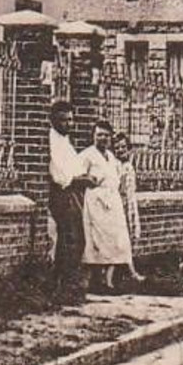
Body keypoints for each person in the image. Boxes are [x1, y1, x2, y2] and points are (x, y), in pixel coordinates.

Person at [78, 120, 137, 291]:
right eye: (99, 135)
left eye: (105, 135)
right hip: (95, 201)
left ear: (110, 137)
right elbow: (77, 176)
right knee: (97, 240)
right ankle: (98, 281)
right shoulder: (87, 155)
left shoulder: (111, 157)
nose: (102, 138)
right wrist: (88, 180)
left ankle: (109, 279)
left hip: (113, 201)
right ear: (93, 136)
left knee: (115, 239)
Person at [48, 102, 98, 297]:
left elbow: (75, 167)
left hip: (75, 193)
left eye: (70, 119)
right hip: (63, 194)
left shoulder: (65, 142)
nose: (68, 123)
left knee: (77, 238)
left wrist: (84, 177)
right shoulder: (52, 142)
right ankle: (63, 284)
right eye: (63, 120)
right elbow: (60, 175)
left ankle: (69, 283)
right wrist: (83, 179)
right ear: (53, 120)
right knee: (70, 237)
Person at [113, 132, 147, 283]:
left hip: (130, 203)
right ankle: (130, 272)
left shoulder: (128, 166)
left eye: (123, 147)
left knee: (127, 238)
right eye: (117, 148)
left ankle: (123, 272)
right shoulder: (115, 166)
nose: (120, 150)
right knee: (121, 239)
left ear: (129, 149)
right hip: (120, 204)